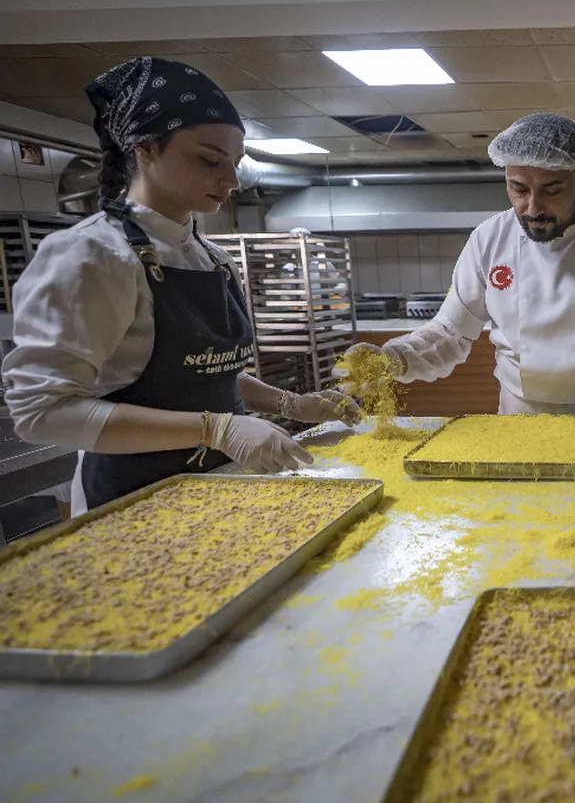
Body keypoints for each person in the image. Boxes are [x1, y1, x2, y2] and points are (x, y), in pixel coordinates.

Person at [2, 57, 359, 514]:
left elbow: (205, 376)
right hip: (132, 501)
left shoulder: (212, 257)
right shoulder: (93, 256)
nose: (230, 181)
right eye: (209, 159)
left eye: (235, 163)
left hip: (221, 487)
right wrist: (217, 429)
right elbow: (40, 415)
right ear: (145, 148)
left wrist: (291, 403)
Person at [344, 113, 575, 417]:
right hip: (520, 417)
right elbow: (450, 332)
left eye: (552, 190)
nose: (533, 207)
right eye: (518, 188)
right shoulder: (489, 239)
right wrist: (395, 357)